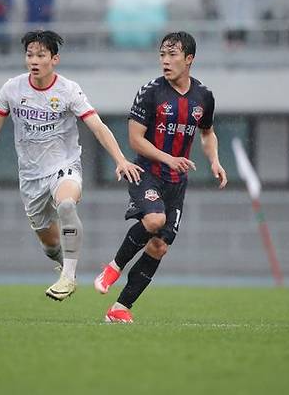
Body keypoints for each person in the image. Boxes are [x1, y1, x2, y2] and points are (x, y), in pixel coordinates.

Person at [0, 30, 143, 301]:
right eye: (30, 55)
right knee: (50, 244)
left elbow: (97, 126)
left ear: (55, 59)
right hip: (30, 176)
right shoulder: (12, 89)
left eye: (41, 55)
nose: (34, 60)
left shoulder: (68, 90)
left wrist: (120, 159)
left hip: (64, 166)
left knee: (66, 205)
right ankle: (63, 263)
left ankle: (68, 277)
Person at [94, 31, 228, 323]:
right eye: (162, 55)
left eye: (173, 55)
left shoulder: (204, 96)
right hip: (147, 174)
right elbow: (135, 140)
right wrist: (169, 159)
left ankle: (119, 309)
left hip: (176, 184)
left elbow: (207, 133)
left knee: (159, 246)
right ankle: (114, 267)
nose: (165, 61)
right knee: (155, 220)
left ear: (189, 59)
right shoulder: (151, 91)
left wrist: (215, 161)